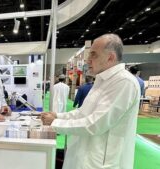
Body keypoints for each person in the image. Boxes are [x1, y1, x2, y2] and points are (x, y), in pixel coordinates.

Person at [41, 34, 140, 169]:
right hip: (85, 154)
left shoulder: (123, 82)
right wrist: (58, 115)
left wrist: (55, 123)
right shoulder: (102, 80)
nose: (87, 60)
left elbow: (95, 123)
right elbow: (83, 112)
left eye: (93, 55)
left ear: (110, 57)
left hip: (101, 162)